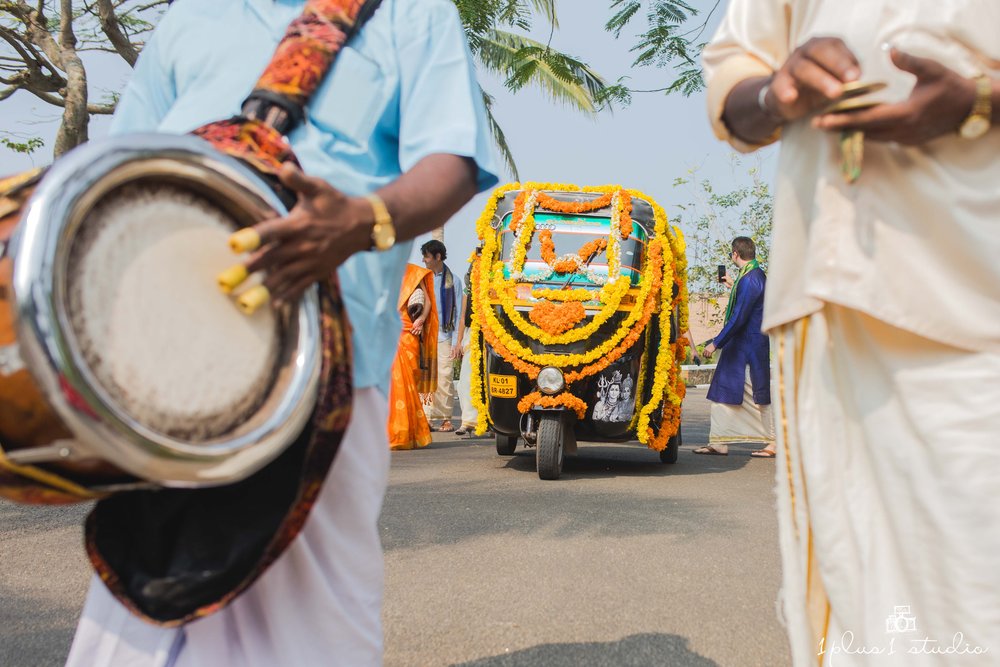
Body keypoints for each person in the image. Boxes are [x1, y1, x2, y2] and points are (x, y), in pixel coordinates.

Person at [65, 1, 499, 665]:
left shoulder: (413, 13)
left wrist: (361, 220)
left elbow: (453, 161)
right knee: (144, 595)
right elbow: (118, 162)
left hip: (324, 368)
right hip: (163, 366)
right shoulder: (192, 16)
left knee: (313, 631)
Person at [703, 2, 999, 664]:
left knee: (976, 606)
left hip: (974, 300)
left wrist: (979, 99)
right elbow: (733, 77)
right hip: (828, 307)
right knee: (860, 611)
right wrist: (777, 91)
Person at [693, 237, 775, 458]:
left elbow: (739, 317)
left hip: (748, 346)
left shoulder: (750, 280)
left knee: (759, 394)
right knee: (722, 390)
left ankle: (773, 442)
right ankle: (719, 441)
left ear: (735, 254)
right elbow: (744, 303)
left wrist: (716, 342)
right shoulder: (749, 276)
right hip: (742, 345)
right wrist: (732, 284)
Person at [388, 263, 438, 450]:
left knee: (409, 382)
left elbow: (428, 302)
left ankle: (410, 432)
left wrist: (421, 319)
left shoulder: (413, 272)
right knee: (393, 385)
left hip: (409, 332)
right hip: (388, 332)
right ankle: (396, 432)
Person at [420, 239, 461, 432]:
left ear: (437, 257)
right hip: (425, 336)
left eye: (426, 256)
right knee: (425, 377)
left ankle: (445, 418)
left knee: (444, 378)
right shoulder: (422, 279)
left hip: (445, 336)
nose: (424, 260)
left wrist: (457, 342)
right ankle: (426, 418)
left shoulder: (454, 281)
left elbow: (459, 313)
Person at [451, 259, 482, 436]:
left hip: (490, 336)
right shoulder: (467, 291)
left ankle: (488, 422)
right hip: (471, 336)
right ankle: (467, 422)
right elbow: (463, 317)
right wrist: (459, 342)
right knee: (465, 381)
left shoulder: (494, 286)